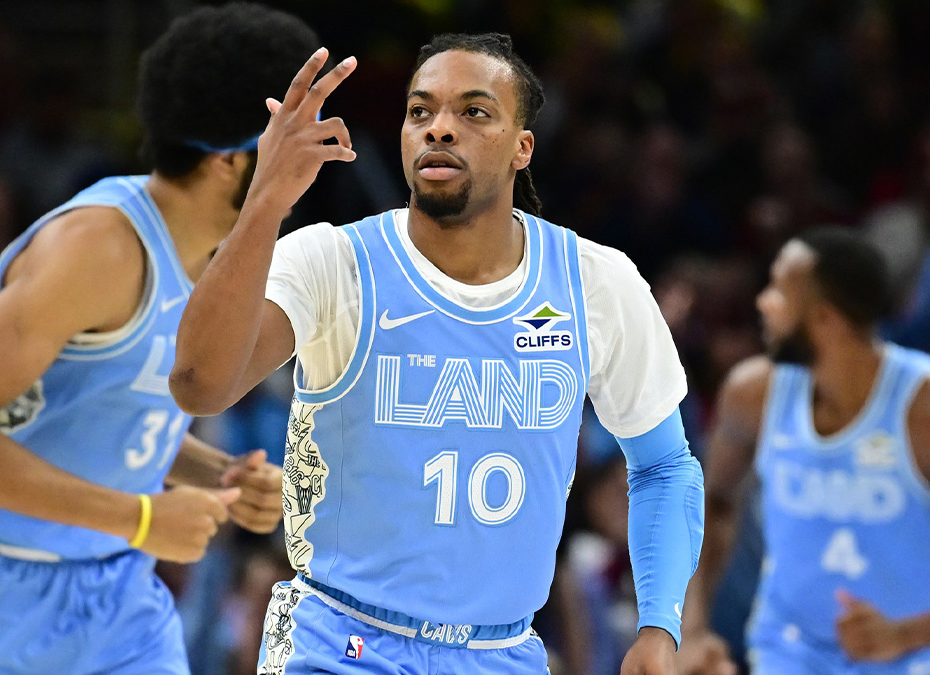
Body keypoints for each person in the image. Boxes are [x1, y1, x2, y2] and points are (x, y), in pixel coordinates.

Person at [170, 33, 719, 675]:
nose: (439, 130)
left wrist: (660, 626)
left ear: (523, 147)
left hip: (500, 650)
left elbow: (665, 467)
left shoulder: (596, 281)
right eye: (420, 112)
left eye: (474, 112)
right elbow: (198, 385)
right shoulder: (332, 261)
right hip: (337, 640)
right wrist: (264, 201)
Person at [0, 4, 318, 674]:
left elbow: (105, 411)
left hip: (115, 592)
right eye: (299, 133)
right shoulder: (99, 249)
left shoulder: (218, 258)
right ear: (235, 158)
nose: (319, 151)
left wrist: (214, 474)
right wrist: (139, 517)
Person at [681, 229, 930, 675]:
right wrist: (692, 630)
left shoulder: (921, 408)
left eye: (779, 290)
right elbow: (708, 505)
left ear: (825, 318)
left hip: (909, 657)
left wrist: (905, 634)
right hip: (788, 652)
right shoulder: (752, 394)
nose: (763, 302)